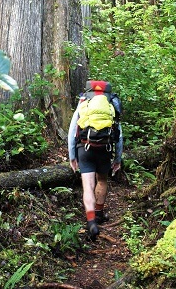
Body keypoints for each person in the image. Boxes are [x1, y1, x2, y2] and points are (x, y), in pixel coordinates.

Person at [68, 80, 123, 241]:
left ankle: (91, 221)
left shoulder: (83, 103)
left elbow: (73, 130)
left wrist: (72, 155)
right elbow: (118, 134)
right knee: (102, 180)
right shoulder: (111, 104)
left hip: (84, 148)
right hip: (104, 149)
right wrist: (117, 158)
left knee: (88, 185)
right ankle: (99, 213)